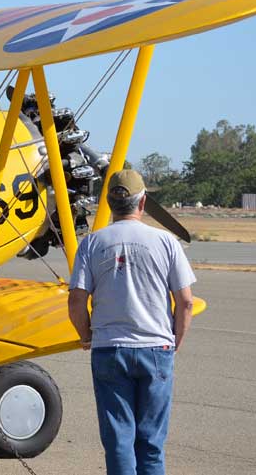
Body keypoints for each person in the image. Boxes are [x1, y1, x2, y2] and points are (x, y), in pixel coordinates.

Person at [68, 169, 196, 475]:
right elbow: (186, 302)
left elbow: (76, 300)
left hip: (109, 349)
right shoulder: (166, 241)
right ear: (143, 202)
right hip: (156, 347)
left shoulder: (91, 243)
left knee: (119, 442)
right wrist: (175, 340)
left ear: (110, 204)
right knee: (151, 443)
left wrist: (86, 335)